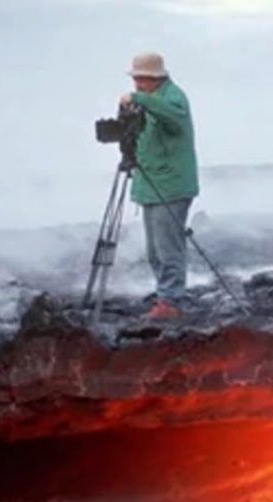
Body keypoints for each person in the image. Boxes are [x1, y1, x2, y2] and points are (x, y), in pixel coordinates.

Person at [119, 52, 199, 320]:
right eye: (136, 79)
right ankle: (165, 297)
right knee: (155, 250)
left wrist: (140, 100)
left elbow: (172, 118)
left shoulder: (173, 98)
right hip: (151, 185)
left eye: (143, 79)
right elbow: (141, 141)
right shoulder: (150, 101)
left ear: (157, 77)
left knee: (168, 248)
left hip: (172, 186)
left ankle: (171, 302)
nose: (138, 84)